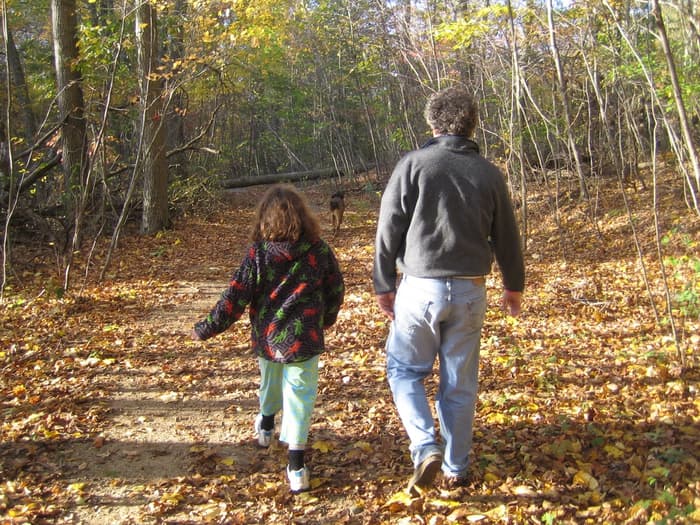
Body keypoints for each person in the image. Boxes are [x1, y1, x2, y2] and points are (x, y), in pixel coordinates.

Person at [373, 86, 525, 494]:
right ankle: (456, 468)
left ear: (433, 123)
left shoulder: (414, 165)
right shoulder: (489, 173)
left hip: (419, 289)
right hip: (471, 291)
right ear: (472, 124)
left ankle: (424, 445)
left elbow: (389, 228)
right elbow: (506, 236)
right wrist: (514, 285)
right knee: (459, 384)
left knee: (404, 370)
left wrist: (383, 283)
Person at [192, 184, 345, 493]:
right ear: (303, 216)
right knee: (299, 398)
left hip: (269, 337)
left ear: (264, 219)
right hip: (305, 339)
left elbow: (234, 296)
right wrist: (325, 319)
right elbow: (336, 289)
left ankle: (266, 425)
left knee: (271, 383)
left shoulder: (259, 255)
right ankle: (296, 465)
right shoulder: (318, 250)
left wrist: (207, 327)